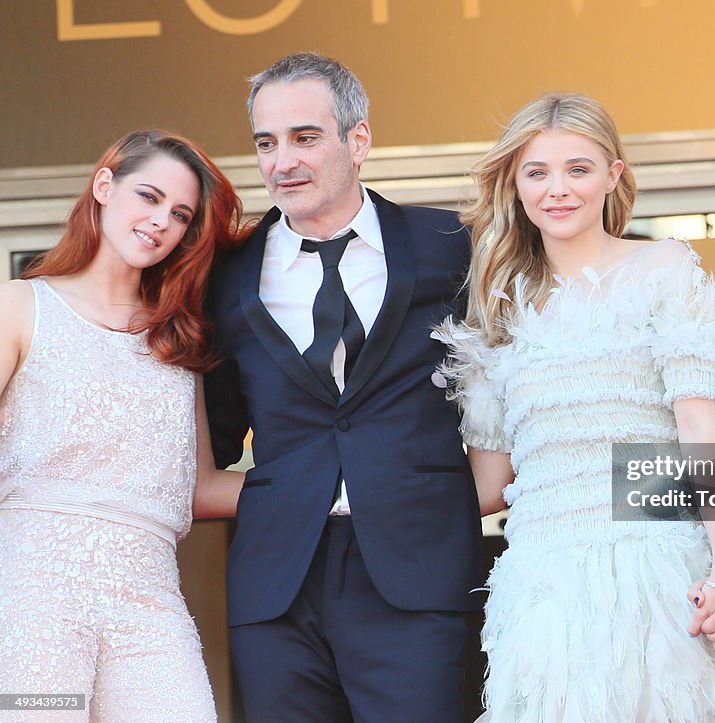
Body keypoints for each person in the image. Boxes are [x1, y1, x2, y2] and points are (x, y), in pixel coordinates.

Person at [435, 92, 715, 722]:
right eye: (538, 172)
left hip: (658, 574)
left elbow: (700, 433)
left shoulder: (663, 270)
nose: (558, 189)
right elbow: (490, 483)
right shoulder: (499, 310)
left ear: (613, 176)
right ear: (516, 185)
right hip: (542, 588)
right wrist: (361, 498)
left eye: (578, 169)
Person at [203, 52, 482, 721]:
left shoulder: (451, 245)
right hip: (277, 585)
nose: (282, 162)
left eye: (305, 137)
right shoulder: (226, 274)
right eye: (266, 143)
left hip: (419, 575)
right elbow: (210, 436)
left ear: (359, 140)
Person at [0, 129, 247, 721]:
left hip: (150, 606)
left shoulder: (177, 342)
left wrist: (338, 486)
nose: (161, 220)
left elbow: (201, 489)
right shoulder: (20, 306)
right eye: (149, 196)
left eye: (180, 214)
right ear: (105, 185)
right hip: (35, 602)